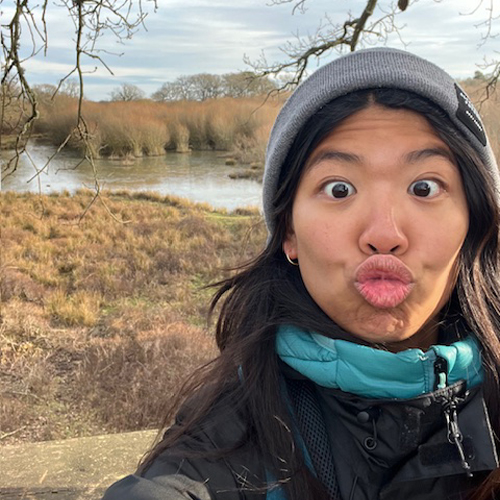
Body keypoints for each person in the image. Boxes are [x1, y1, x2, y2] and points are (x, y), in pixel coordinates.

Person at [101, 48, 500, 500]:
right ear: (289, 231)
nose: (384, 234)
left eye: (424, 187)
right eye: (339, 188)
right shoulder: (228, 432)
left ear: (475, 222)